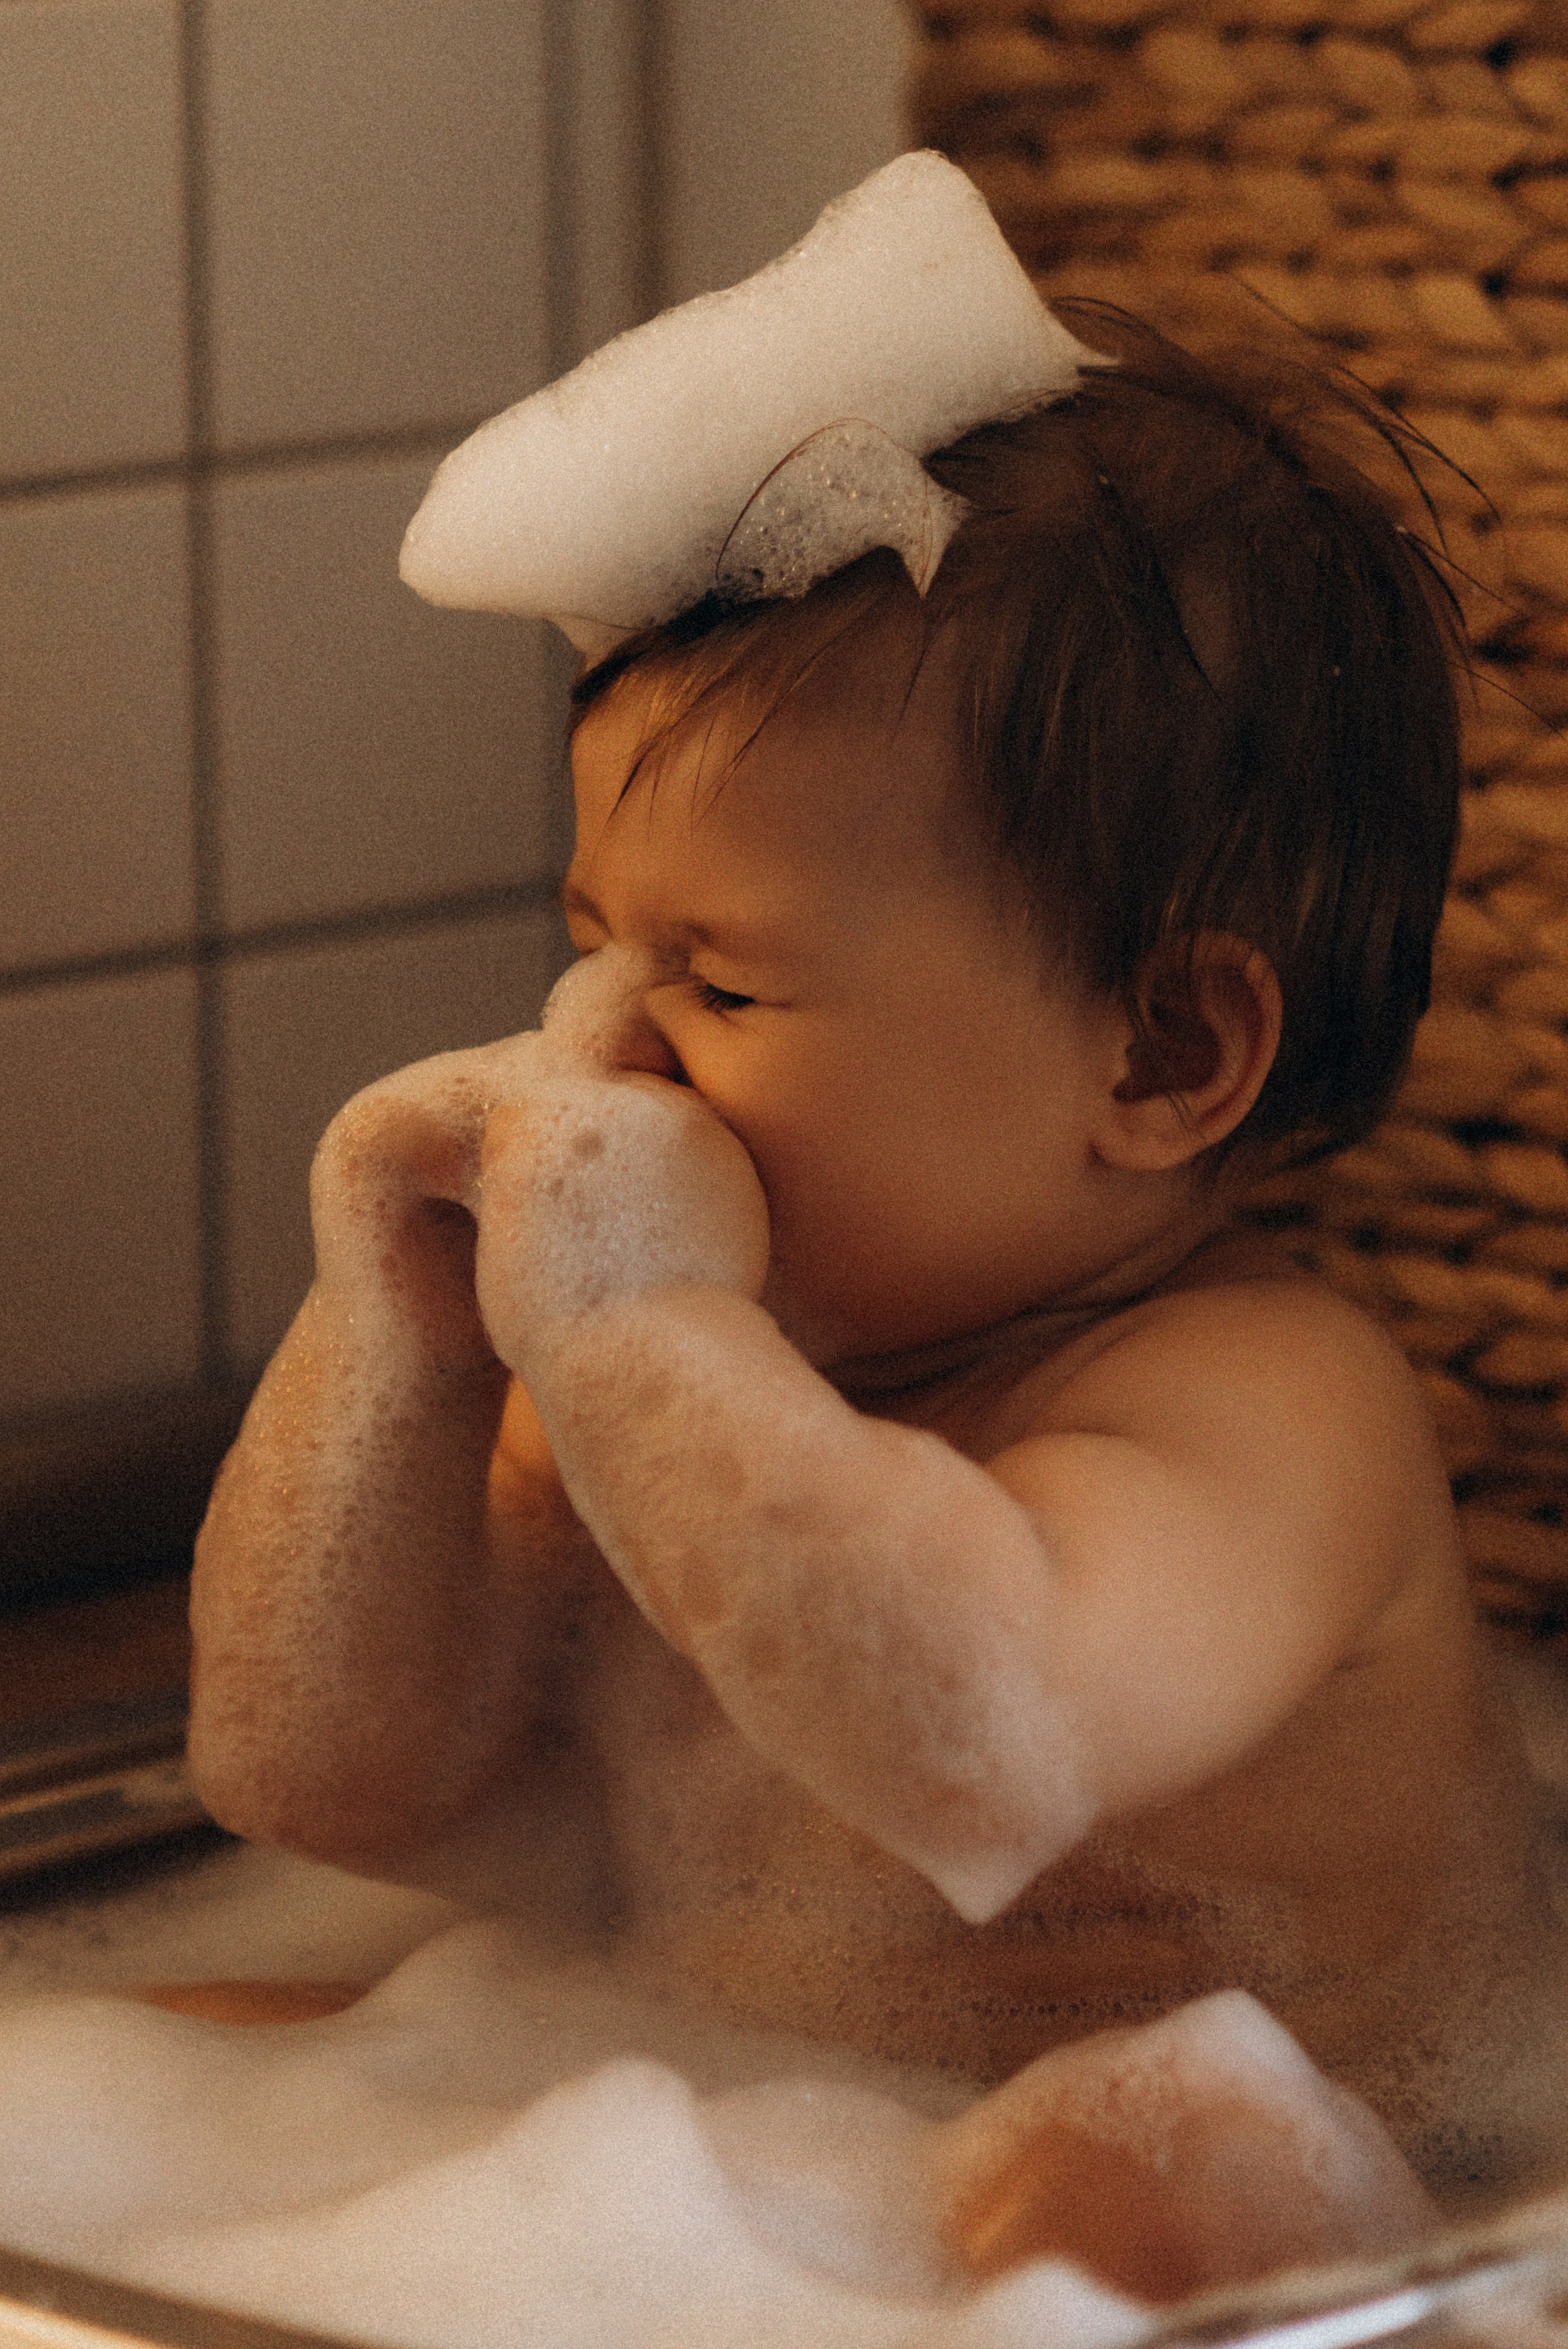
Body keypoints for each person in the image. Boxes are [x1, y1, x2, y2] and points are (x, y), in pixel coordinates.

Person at [188, 265, 1568, 2217]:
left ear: (1164, 1050)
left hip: (1339, 2165)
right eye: (598, 942)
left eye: (723, 987)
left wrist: (643, 1317)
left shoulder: (1262, 1415)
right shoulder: (691, 1393)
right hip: (746, 2130)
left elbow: (987, 1742)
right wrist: (400, 1333)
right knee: (206, 2058)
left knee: (1155, 2171)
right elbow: (328, 1781)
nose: (604, 1049)